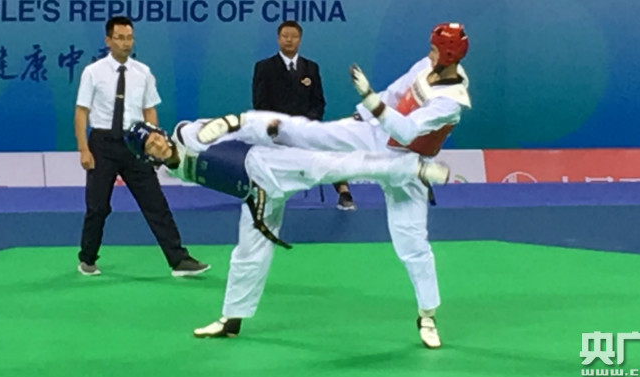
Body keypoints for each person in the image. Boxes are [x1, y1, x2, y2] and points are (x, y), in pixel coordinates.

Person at [198, 22, 472, 349]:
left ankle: (427, 315)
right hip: (373, 135)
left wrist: (370, 99)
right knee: (312, 134)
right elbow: (397, 92)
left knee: (412, 246)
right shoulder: (425, 66)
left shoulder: (451, 100)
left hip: (406, 158)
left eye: (435, 50)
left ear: (449, 56)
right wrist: (362, 114)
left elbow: (407, 131)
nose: (430, 54)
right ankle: (240, 123)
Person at [124, 113, 451, 344]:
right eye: (150, 146)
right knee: (247, 253)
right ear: (147, 157)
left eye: (155, 137)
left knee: (332, 166)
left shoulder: (186, 134)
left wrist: (258, 129)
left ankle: (412, 167)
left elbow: (232, 125)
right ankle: (231, 319)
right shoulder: (174, 170)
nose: (157, 144)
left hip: (267, 162)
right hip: (256, 195)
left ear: (161, 131)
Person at [74, 15, 209, 278]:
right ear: (108, 40)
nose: (125, 43)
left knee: (155, 203)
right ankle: (87, 259)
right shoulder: (93, 72)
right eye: (120, 38)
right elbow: (81, 112)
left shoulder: (143, 72)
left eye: (129, 38)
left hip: (135, 144)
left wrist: (153, 145)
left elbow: (149, 110)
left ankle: (179, 260)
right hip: (102, 144)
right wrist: (83, 150)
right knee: (98, 207)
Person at [252, 21, 354, 211]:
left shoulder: (311, 68)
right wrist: (279, 126)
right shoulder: (264, 67)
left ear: (300, 40)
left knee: (331, 148)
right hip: (277, 131)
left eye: (294, 36)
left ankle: (344, 192)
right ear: (278, 39)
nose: (289, 40)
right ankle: (263, 195)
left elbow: (318, 102)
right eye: (285, 36)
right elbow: (260, 103)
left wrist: (308, 123)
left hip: (306, 128)